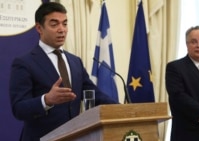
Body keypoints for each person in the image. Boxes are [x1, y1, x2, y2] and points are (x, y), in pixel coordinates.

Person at [9, 2, 118, 141]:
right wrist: (46, 100)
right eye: (54, 24)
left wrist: (122, 110)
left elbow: (94, 94)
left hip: (76, 136)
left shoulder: (75, 61)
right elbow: (19, 109)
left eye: (65, 24)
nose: (62, 29)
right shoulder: (25, 63)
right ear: (39, 28)